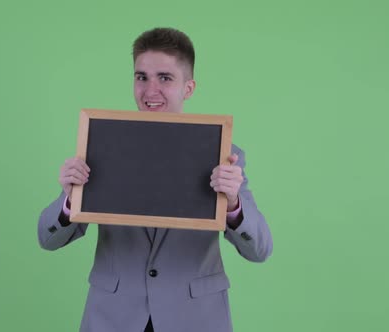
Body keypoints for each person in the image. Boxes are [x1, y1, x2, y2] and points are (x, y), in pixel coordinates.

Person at [38, 27, 273, 332]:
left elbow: (260, 250)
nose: (150, 91)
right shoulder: (102, 147)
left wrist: (234, 204)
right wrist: (70, 200)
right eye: (141, 77)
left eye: (165, 78)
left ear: (188, 88)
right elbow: (47, 238)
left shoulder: (223, 155)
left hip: (194, 318)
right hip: (114, 318)